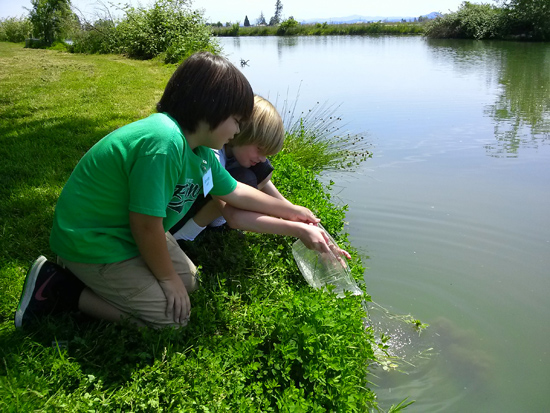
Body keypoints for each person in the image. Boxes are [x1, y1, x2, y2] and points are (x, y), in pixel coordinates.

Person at [14, 52, 335, 330]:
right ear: (212, 110)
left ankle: (100, 278)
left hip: (126, 234)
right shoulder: (164, 142)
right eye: (236, 120)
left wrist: (297, 214)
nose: (238, 130)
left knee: (190, 283)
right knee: (172, 318)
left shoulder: (204, 154)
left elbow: (236, 192)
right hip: (93, 240)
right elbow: (145, 224)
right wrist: (166, 280)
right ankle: (58, 286)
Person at [170, 95, 291, 242]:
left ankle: (218, 222)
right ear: (242, 132)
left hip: (217, 198)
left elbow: (268, 184)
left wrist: (291, 213)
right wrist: (295, 229)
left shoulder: (239, 152)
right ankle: (186, 236)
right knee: (244, 180)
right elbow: (229, 208)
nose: (262, 157)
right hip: (188, 207)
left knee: (262, 169)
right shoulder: (213, 154)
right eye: (259, 149)